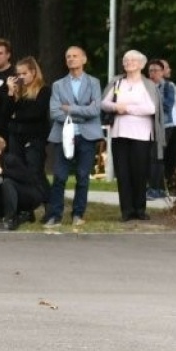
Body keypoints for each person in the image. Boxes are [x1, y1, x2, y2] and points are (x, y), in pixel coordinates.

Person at [100, 49, 164, 222]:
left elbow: (151, 108)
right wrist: (115, 107)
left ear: (141, 64)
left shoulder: (147, 85)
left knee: (140, 172)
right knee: (123, 172)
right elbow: (104, 102)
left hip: (141, 135)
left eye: (133, 60)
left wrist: (126, 108)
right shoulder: (117, 82)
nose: (128, 63)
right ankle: (126, 210)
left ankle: (140, 209)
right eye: (126, 60)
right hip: (119, 133)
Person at [44, 46, 103, 227]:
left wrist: (70, 109)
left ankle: (78, 213)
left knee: (83, 176)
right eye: (68, 56)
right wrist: (81, 112)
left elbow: (95, 110)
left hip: (87, 136)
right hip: (63, 135)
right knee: (59, 176)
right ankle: (55, 215)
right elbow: (55, 112)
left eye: (75, 56)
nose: (71, 59)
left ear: (84, 59)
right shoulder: (58, 85)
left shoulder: (94, 83)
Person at [0, 135, 45, 229]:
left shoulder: (10, 160)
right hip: (7, 196)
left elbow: (26, 178)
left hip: (28, 195)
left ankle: (9, 220)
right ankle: (23, 215)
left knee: (7, 182)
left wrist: (1, 171)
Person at [4, 55, 49, 180]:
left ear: (33, 72)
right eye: (18, 74)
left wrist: (16, 115)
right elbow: (6, 112)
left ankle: (40, 195)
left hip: (34, 136)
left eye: (24, 73)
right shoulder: (17, 91)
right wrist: (10, 92)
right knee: (17, 167)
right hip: (16, 135)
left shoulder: (43, 90)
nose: (21, 77)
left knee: (34, 167)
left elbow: (37, 112)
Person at [145, 58, 176, 200]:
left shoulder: (168, 86)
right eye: (150, 71)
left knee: (158, 156)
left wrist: (148, 107)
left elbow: (167, 106)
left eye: (156, 70)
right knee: (153, 157)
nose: (152, 73)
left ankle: (157, 188)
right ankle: (156, 187)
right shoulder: (145, 87)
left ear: (162, 72)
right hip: (149, 127)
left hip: (166, 126)